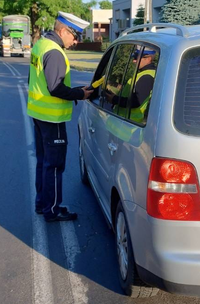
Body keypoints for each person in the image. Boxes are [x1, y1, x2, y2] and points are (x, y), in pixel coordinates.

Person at [27, 11, 93, 222]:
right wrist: (79, 94)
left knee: (43, 162)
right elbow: (55, 88)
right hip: (52, 117)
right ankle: (52, 210)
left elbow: (38, 80)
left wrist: (75, 90)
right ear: (63, 30)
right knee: (54, 166)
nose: (75, 42)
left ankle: (42, 204)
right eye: (75, 36)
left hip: (38, 113)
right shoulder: (55, 52)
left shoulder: (41, 45)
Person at [105, 48, 157, 123]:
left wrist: (115, 99)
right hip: (122, 123)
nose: (134, 60)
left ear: (148, 59)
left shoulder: (147, 77)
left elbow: (136, 102)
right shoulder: (144, 74)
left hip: (127, 127)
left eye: (136, 57)